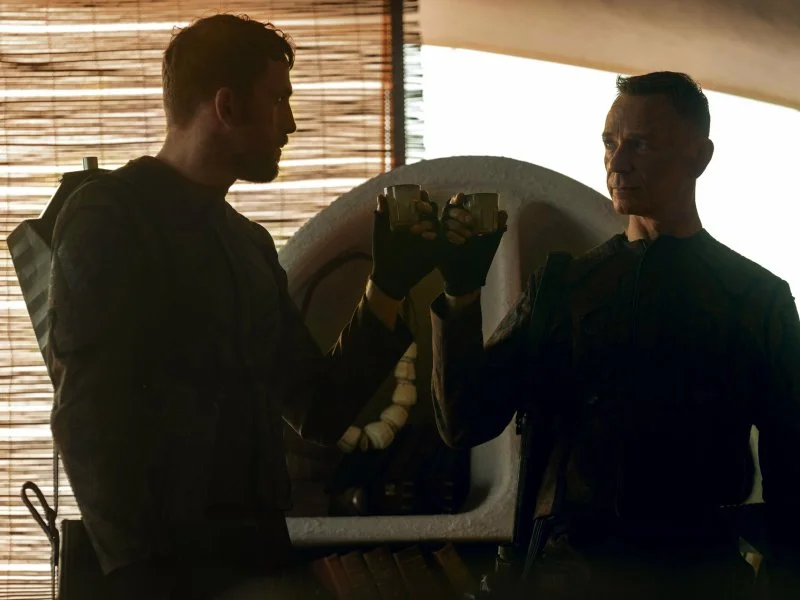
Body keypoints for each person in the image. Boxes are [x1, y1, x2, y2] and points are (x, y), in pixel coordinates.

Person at [46, 13, 439, 600]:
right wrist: (137, 576)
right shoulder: (109, 217)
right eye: (278, 99)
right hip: (159, 573)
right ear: (226, 107)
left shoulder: (248, 245)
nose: (291, 122)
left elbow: (319, 409)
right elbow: (86, 414)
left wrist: (388, 285)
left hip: (256, 558)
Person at [432, 71, 800, 599]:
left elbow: (793, 473)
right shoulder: (561, 287)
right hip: (568, 577)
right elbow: (464, 421)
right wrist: (460, 295)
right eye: (610, 143)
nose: (616, 163)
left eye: (640, 145)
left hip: (700, 576)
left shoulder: (755, 298)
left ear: (699, 157)